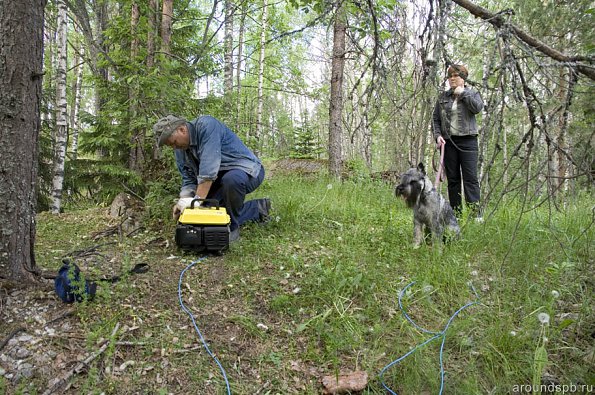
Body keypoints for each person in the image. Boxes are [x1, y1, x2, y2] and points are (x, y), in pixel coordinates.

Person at [153, 114, 271, 242]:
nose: (174, 148)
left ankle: (232, 228)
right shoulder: (180, 149)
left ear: (182, 130)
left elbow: (209, 170)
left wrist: (196, 201)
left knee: (231, 181)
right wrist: (183, 203)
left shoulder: (207, 126)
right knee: (207, 213)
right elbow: (188, 179)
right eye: (171, 146)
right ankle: (257, 208)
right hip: (218, 179)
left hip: (248, 171)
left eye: (174, 142)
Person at [432, 64, 484, 219]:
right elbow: (435, 119)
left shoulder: (472, 93)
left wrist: (463, 94)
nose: (452, 79)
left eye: (456, 76)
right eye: (450, 76)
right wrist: (437, 135)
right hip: (448, 143)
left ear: (463, 78)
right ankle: (456, 215)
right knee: (453, 180)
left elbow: (477, 108)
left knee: (470, 179)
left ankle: (476, 216)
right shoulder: (443, 97)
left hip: (468, 141)